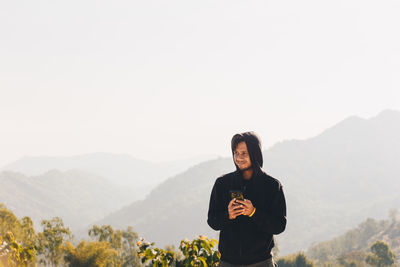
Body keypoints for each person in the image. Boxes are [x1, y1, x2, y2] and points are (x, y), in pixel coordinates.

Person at [207, 131, 287, 267]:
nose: (239, 158)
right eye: (236, 153)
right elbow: (212, 221)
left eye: (244, 153)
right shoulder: (222, 183)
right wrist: (229, 215)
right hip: (228, 263)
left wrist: (254, 213)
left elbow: (279, 225)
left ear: (255, 153)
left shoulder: (272, 186)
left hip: (261, 262)